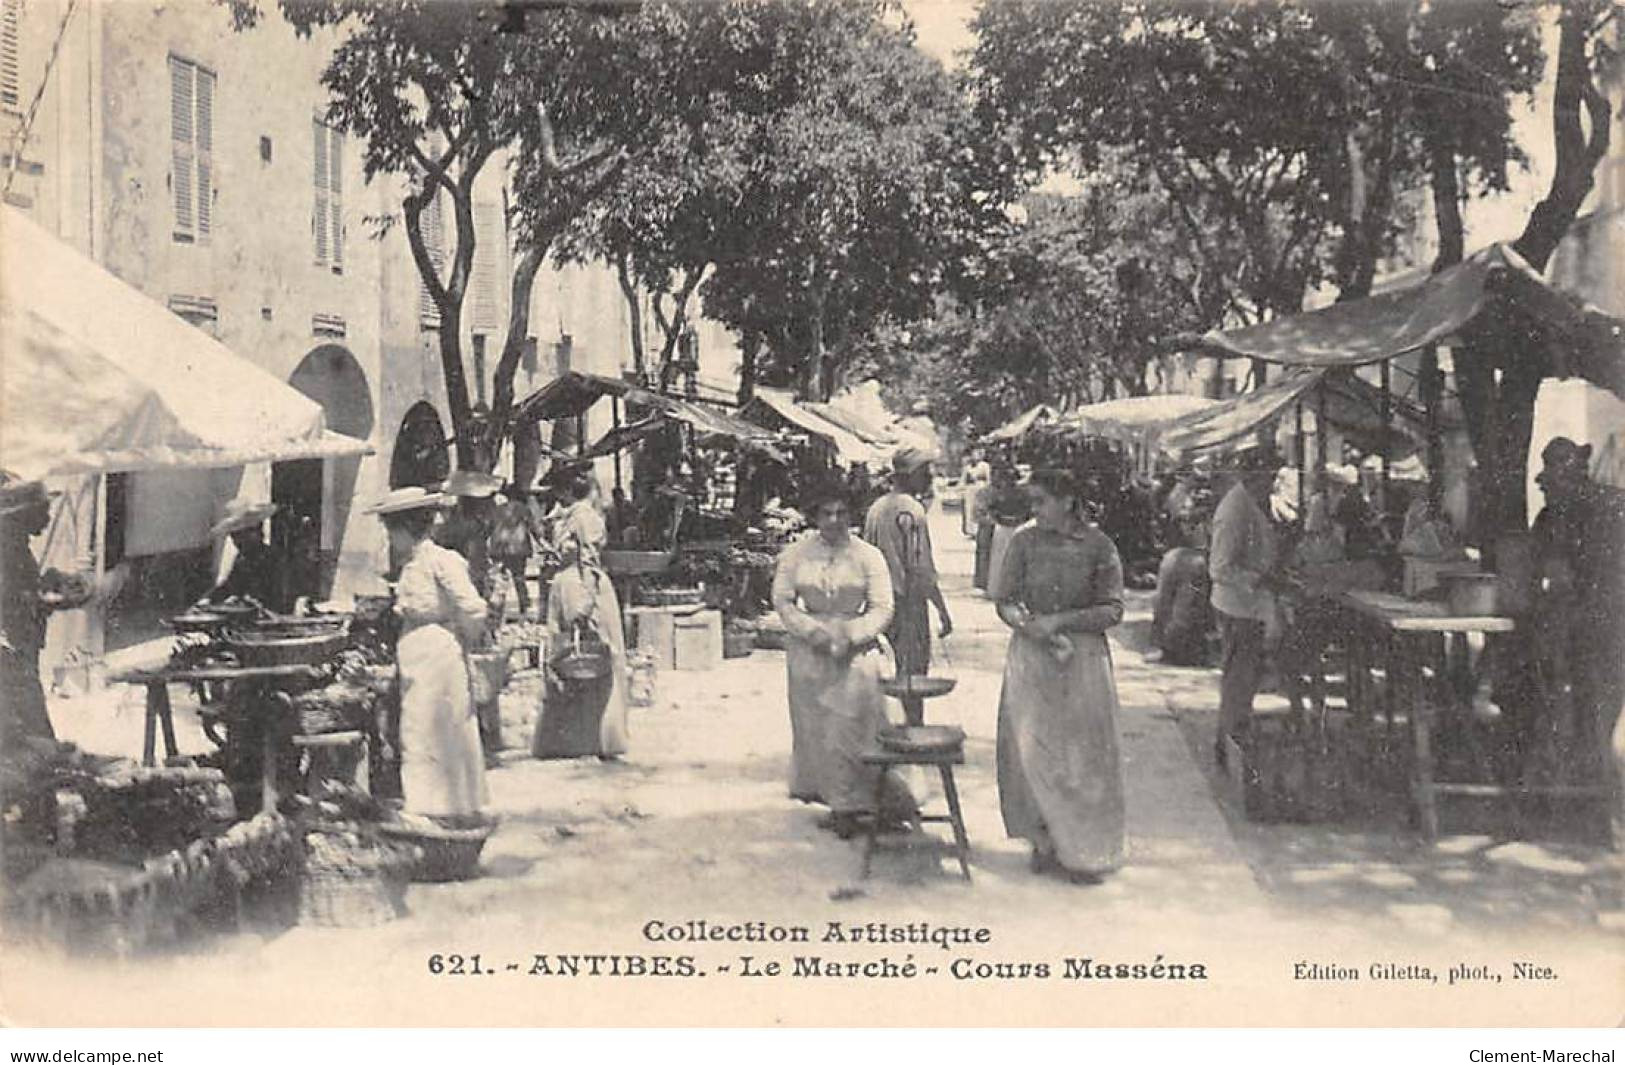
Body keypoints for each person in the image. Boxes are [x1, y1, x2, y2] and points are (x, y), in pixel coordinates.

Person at [991, 468, 1126, 884]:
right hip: (1033, 659)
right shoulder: (1024, 543)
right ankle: (1043, 839)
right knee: (1034, 751)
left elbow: (1113, 609)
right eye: (1031, 503)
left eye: (1041, 502)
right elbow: (1005, 599)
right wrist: (1032, 627)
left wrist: (1062, 623)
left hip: (1082, 660)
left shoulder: (1098, 546)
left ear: (1067, 501)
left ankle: (1085, 850)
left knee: (1083, 755)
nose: (1034, 511)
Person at [772, 479, 913, 838]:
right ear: (814, 516)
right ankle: (840, 804)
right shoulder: (796, 554)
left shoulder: (868, 555)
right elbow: (783, 601)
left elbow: (883, 606)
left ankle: (879, 802)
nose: (834, 520)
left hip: (857, 651)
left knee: (860, 725)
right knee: (820, 730)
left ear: (851, 515)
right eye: (826, 513)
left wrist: (852, 635)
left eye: (841, 513)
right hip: (811, 651)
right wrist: (813, 632)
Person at [368, 487, 489, 820]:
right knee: (417, 730)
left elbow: (474, 607)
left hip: (438, 655)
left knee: (436, 728)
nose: (390, 539)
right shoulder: (411, 565)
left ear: (407, 528)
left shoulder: (441, 560)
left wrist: (460, 636)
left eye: (392, 531)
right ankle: (426, 804)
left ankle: (443, 806)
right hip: (417, 656)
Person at [1526, 438, 1625, 811]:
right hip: (1601, 620)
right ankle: (1596, 794)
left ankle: (1595, 799)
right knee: (1598, 707)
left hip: (1599, 620)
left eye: (1550, 485)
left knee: (1592, 705)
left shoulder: (1569, 514)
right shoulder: (1606, 503)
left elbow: (1554, 577)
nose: (1547, 492)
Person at [862, 447, 953, 726]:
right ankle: (913, 733)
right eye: (926, 471)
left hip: (880, 601)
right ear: (912, 474)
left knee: (891, 673)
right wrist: (942, 610)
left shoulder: (876, 508)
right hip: (908, 602)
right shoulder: (911, 510)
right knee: (913, 676)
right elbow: (920, 567)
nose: (930, 477)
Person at [1208, 446, 1281, 768]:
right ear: (1254, 476)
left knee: (1244, 677)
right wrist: (1258, 579)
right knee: (1238, 677)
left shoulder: (1251, 502)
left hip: (1247, 605)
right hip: (1237, 606)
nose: (1273, 482)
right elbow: (1219, 567)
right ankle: (1227, 743)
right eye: (1269, 476)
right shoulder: (1235, 508)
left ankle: (1231, 736)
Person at [532, 531, 630, 760]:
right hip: (580, 643)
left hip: (588, 643)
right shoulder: (568, 578)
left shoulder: (586, 578)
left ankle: (590, 742)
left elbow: (579, 613)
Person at [1151, 513, 1212, 666]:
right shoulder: (1198, 563)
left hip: (1164, 639)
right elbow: (1190, 607)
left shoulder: (1170, 557)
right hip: (1184, 640)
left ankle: (1170, 647)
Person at [201, 498, 280, 608]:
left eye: (242, 535)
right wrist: (208, 599)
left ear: (257, 531)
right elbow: (228, 586)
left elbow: (276, 594)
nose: (238, 541)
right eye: (234, 537)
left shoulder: (273, 557)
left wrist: (245, 599)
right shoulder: (242, 560)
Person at [986, 461, 1032, 596]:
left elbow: (1029, 510)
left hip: (1017, 528)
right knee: (999, 560)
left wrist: (1020, 520)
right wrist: (999, 520)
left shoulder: (1022, 494)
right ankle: (997, 589)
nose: (1008, 482)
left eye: (1011, 479)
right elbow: (991, 509)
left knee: (1017, 559)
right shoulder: (998, 494)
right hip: (1002, 528)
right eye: (1006, 478)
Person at [489, 488, 536, 617]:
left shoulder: (497, 509)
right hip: (518, 549)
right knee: (519, 578)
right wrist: (541, 541)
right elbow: (533, 527)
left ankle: (498, 609)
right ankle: (524, 608)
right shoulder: (524, 509)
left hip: (499, 548)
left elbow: (489, 527)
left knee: (500, 580)